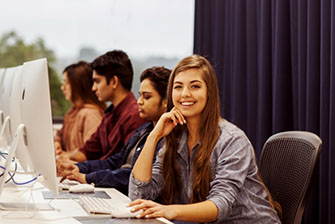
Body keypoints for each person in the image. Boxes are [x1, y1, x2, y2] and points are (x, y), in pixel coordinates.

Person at [128, 55, 281, 223]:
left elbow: (219, 206)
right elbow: (139, 195)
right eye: (178, 87)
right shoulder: (175, 139)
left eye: (195, 86)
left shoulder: (232, 140)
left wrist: (169, 211)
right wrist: (154, 136)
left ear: (209, 92)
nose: (185, 94)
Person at [57, 67, 171, 195]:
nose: (139, 102)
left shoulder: (166, 138)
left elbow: (132, 176)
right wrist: (79, 167)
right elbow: (115, 161)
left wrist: (88, 178)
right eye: (140, 96)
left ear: (166, 101)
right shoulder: (144, 130)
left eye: (147, 97)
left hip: (129, 194)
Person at [57, 50, 146, 162]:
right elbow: (88, 150)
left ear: (113, 82)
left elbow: (121, 166)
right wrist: (63, 158)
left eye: (97, 81)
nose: (93, 88)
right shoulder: (109, 115)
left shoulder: (134, 116)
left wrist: (81, 171)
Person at [54, 61, 106, 155]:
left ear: (77, 85)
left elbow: (89, 154)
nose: (62, 87)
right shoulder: (72, 112)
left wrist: (65, 156)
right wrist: (57, 143)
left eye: (66, 83)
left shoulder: (90, 115)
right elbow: (60, 135)